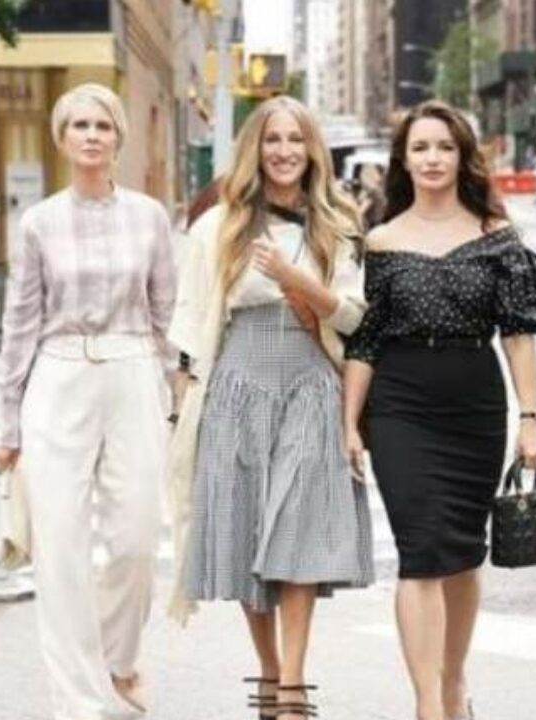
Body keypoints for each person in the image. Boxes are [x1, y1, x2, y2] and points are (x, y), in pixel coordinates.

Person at [342, 100, 536, 720]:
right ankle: (428, 707)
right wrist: (348, 423)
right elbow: (365, 341)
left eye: (444, 147)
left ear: (462, 157)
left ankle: (454, 680)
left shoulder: (496, 236)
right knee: (421, 551)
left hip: (474, 406)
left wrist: (531, 421)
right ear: (403, 160)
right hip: (400, 406)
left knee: (462, 553)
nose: (432, 158)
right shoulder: (380, 240)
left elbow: (518, 334)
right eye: (420, 148)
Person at [167, 95, 374, 720]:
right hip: (236, 385)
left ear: (313, 150)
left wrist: (295, 278)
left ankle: (292, 686)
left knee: (298, 533)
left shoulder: (337, 221)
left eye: (296, 139)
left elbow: (353, 318)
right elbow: (189, 324)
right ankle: (268, 670)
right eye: (272, 139)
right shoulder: (218, 225)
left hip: (310, 382)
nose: (284, 151)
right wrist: (181, 413)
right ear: (254, 149)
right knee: (246, 532)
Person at [0, 82, 174, 720]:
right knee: (61, 548)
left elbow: (166, 314)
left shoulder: (150, 217)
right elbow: (20, 324)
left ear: (119, 136)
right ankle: (78, 702)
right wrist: (6, 423)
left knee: (136, 538)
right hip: (58, 376)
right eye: (80, 125)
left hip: (133, 369)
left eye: (103, 125)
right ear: (62, 138)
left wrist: (177, 402)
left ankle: (119, 662)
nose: (92, 135)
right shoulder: (39, 222)